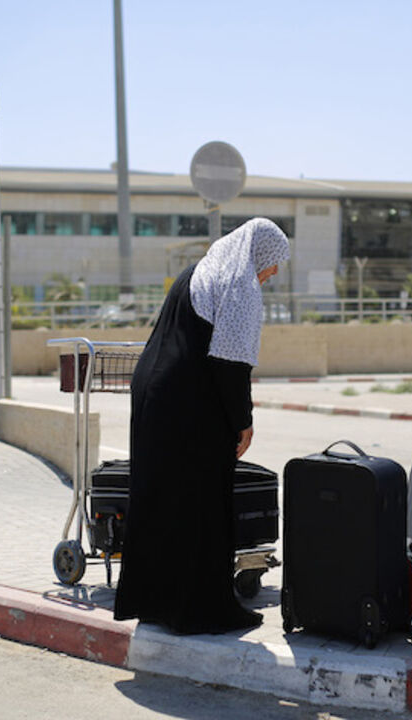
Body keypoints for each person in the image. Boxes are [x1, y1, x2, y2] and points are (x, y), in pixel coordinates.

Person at [114, 217, 289, 634]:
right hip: (188, 405)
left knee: (159, 499)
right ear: (258, 254)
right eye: (275, 261)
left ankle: (154, 604)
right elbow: (231, 366)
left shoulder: (200, 272)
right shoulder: (240, 287)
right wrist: (242, 422)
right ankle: (203, 612)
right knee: (203, 504)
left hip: (154, 395)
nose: (275, 272)